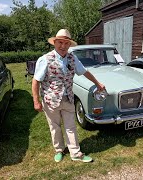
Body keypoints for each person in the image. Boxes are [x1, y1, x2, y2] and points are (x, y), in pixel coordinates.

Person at [32, 29, 106, 163]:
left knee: (70, 127)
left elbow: (84, 72)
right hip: (51, 100)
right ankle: (59, 150)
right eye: (60, 42)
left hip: (68, 98)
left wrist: (97, 83)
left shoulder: (72, 58)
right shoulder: (45, 59)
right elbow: (36, 80)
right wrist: (36, 101)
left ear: (69, 45)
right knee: (55, 126)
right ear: (54, 43)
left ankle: (75, 153)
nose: (63, 46)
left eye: (66, 43)